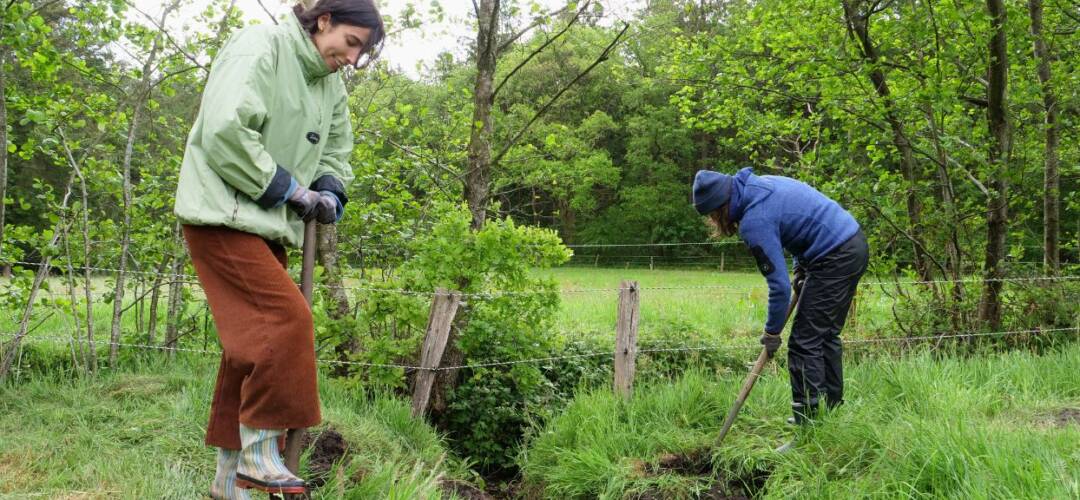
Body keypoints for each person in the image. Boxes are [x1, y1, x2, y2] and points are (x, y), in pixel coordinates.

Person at [173, 1, 383, 497]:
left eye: (362, 53)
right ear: (324, 20)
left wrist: (329, 189)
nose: (352, 59)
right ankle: (260, 456)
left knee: (247, 352)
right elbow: (225, 130)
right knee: (286, 323)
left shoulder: (330, 85)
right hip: (223, 214)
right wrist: (288, 189)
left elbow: (336, 148)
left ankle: (229, 482)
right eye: (351, 43)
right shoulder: (260, 44)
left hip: (267, 227)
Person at [692, 167, 868, 427]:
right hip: (852, 243)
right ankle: (831, 413)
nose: (714, 223)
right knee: (825, 335)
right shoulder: (763, 185)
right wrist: (800, 268)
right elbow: (799, 224)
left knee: (804, 341)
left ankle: (808, 423)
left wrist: (772, 332)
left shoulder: (754, 222)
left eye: (712, 216)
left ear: (721, 208)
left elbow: (778, 287)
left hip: (834, 257)